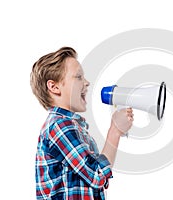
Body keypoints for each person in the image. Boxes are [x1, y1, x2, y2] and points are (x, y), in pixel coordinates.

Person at [30, 47, 133, 200]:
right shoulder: (60, 126)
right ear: (54, 87)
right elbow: (97, 175)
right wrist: (115, 132)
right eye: (78, 77)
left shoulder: (74, 126)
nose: (86, 82)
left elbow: (95, 180)